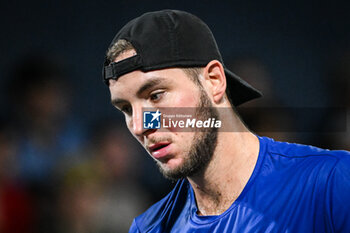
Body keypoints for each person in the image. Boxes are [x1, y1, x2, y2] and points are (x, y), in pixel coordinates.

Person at [102, 10, 350, 233]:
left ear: (214, 81)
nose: (140, 125)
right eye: (125, 108)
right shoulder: (149, 228)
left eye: (156, 96)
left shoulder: (332, 183)